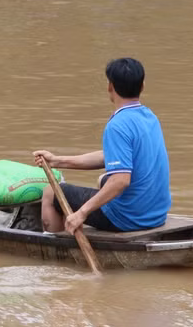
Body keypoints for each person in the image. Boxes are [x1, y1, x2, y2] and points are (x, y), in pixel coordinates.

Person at [33, 57, 170, 235]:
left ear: (110, 87)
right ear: (142, 86)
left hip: (129, 219)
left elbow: (121, 180)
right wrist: (57, 161)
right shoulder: (149, 116)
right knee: (102, 180)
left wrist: (81, 213)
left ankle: (58, 245)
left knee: (51, 193)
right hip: (156, 215)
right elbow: (112, 157)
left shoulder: (118, 125)